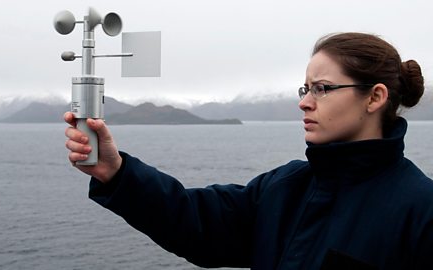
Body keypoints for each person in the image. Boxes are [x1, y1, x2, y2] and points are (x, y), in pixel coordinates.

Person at [64, 32, 433, 270]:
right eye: (304, 89)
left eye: (321, 88)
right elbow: (195, 221)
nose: (305, 103)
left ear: (375, 97)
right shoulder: (284, 187)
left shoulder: (420, 210)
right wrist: (117, 172)